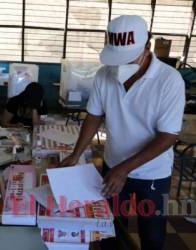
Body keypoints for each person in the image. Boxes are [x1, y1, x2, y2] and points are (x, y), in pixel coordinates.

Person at [61, 15, 185, 250]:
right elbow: (94, 116)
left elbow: (168, 136)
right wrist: (76, 154)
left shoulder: (169, 81)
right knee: (110, 229)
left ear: (147, 48)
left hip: (152, 173)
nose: (119, 66)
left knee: (152, 234)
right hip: (113, 164)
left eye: (127, 59)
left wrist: (124, 169)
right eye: (116, 59)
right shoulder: (104, 75)